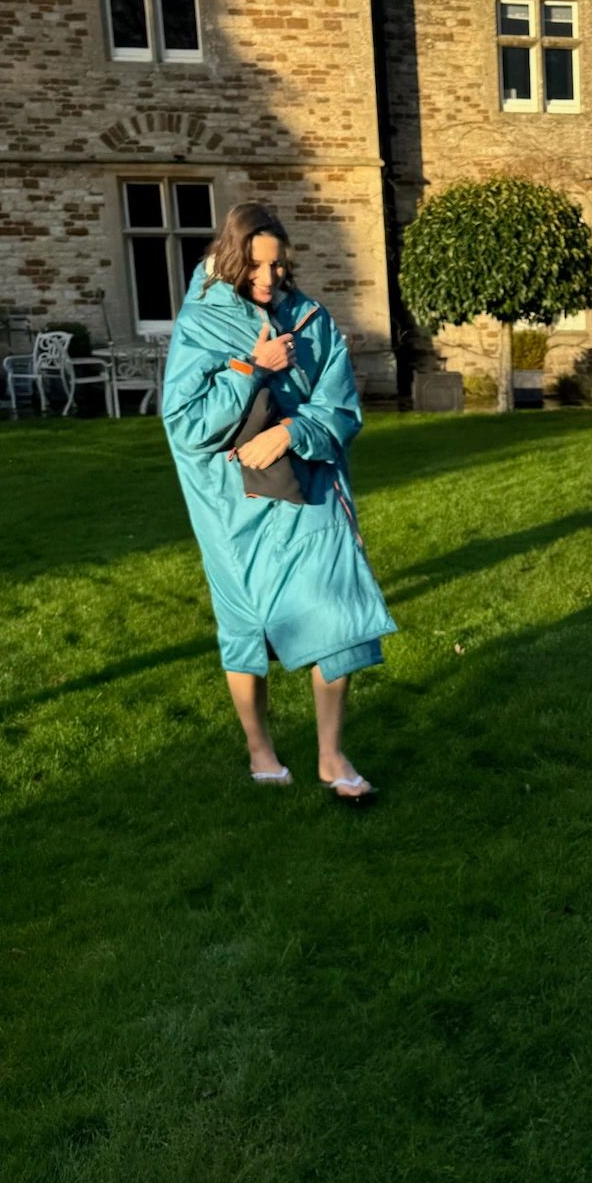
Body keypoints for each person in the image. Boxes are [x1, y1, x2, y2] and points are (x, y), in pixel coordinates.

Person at [163, 201, 396, 798]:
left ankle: (331, 756)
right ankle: (259, 749)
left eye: (278, 266)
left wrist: (291, 431)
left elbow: (340, 405)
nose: (269, 278)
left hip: (308, 487)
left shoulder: (311, 319)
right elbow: (186, 425)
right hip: (231, 503)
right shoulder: (200, 323)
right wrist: (251, 368)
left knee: (336, 612)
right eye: (256, 266)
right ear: (231, 259)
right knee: (246, 623)